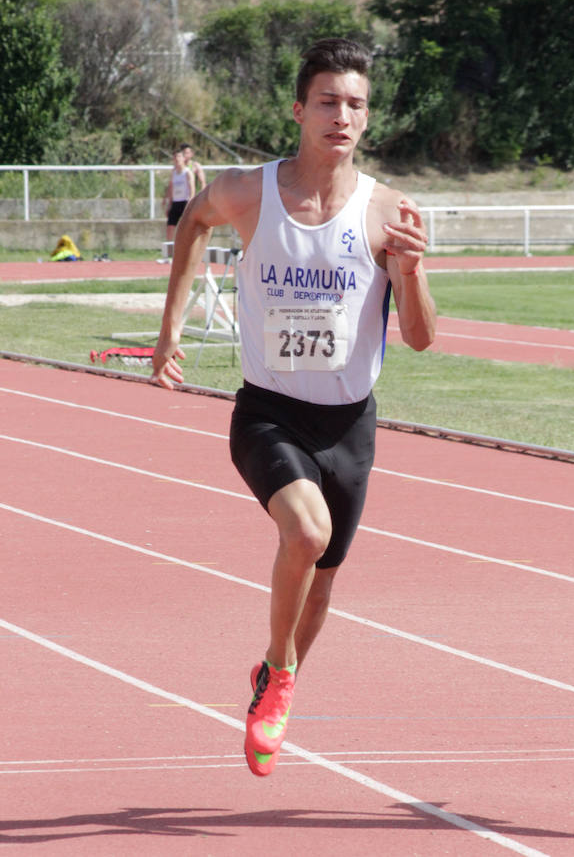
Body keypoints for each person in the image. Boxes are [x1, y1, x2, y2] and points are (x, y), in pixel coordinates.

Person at [151, 38, 436, 778]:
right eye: (328, 102)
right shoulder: (251, 192)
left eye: (356, 104)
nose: (343, 116)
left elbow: (420, 338)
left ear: (367, 117)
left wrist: (412, 271)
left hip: (350, 425)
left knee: (325, 573)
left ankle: (275, 679)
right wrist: (170, 329)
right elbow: (193, 225)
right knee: (305, 535)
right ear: (298, 110)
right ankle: (278, 677)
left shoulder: (386, 211)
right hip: (267, 412)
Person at [162, 148, 195, 248]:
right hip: (175, 202)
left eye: (179, 156)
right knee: (170, 226)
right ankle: (169, 252)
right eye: (175, 157)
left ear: (183, 158)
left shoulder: (187, 172)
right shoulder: (174, 173)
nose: (177, 159)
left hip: (185, 201)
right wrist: (168, 201)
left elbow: (192, 188)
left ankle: (188, 249)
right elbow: (171, 187)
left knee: (186, 227)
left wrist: (190, 202)